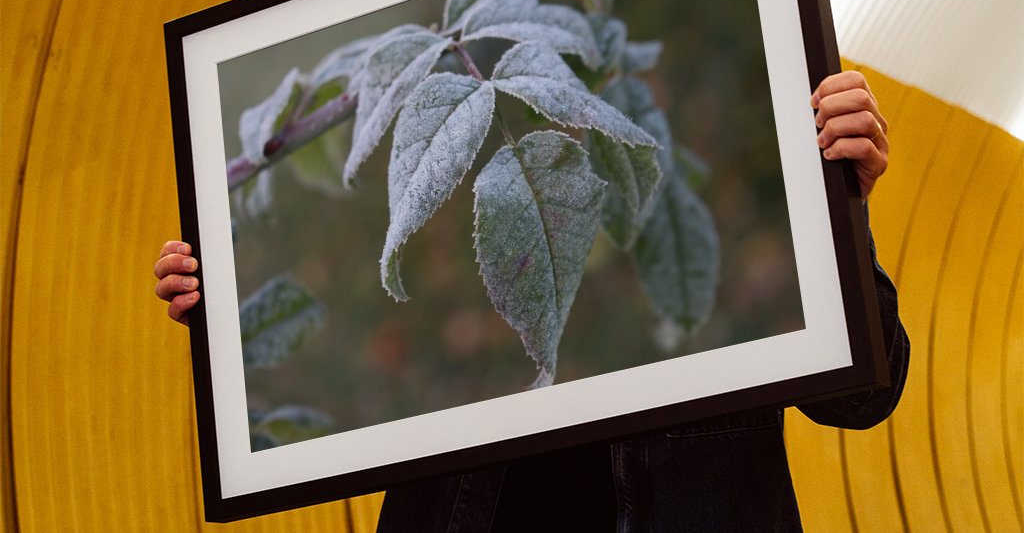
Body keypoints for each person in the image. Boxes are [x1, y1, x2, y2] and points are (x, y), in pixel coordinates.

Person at [155, 71, 909, 531]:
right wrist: (228, 304)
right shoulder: (444, 264)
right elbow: (348, 356)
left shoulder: (722, 254)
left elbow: (865, 396)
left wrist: (840, 206)